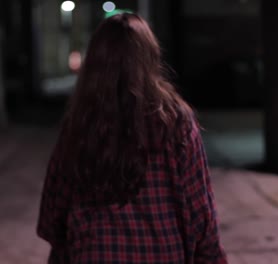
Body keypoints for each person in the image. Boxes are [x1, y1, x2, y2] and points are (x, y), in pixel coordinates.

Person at [37, 13, 228, 263]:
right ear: (149, 58)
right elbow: (199, 209)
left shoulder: (80, 124)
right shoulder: (175, 121)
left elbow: (53, 215)